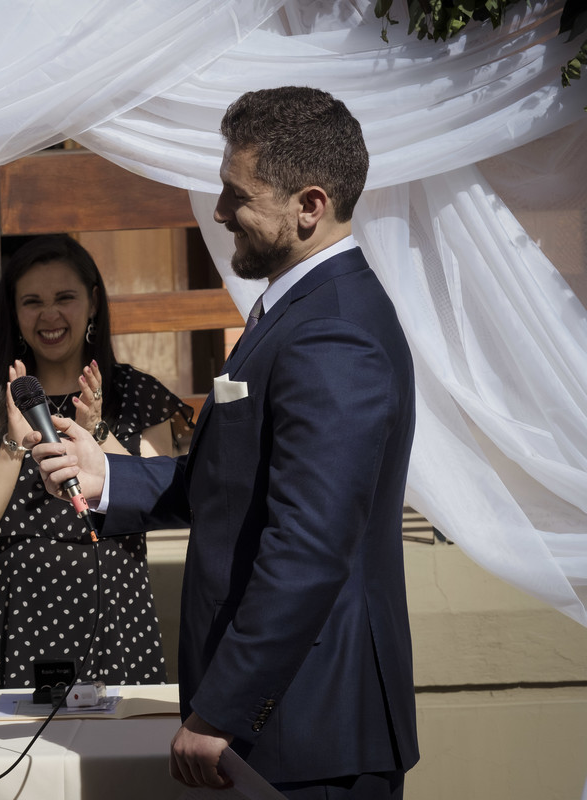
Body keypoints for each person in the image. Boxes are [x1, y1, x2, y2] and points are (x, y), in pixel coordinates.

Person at [32, 88, 420, 798]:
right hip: (285, 728)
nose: (217, 211)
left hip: (308, 735)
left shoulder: (334, 333)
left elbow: (308, 545)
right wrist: (108, 476)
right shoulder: (295, 313)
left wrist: (223, 710)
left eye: (237, 195)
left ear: (309, 205)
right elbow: (233, 484)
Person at [0, 234, 192, 690]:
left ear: (93, 302)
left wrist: (97, 430)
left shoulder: (136, 396)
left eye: (64, 298)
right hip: (19, 614)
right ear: (14, 312)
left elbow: (158, 499)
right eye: (32, 302)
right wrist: (13, 443)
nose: (50, 315)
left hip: (113, 609)